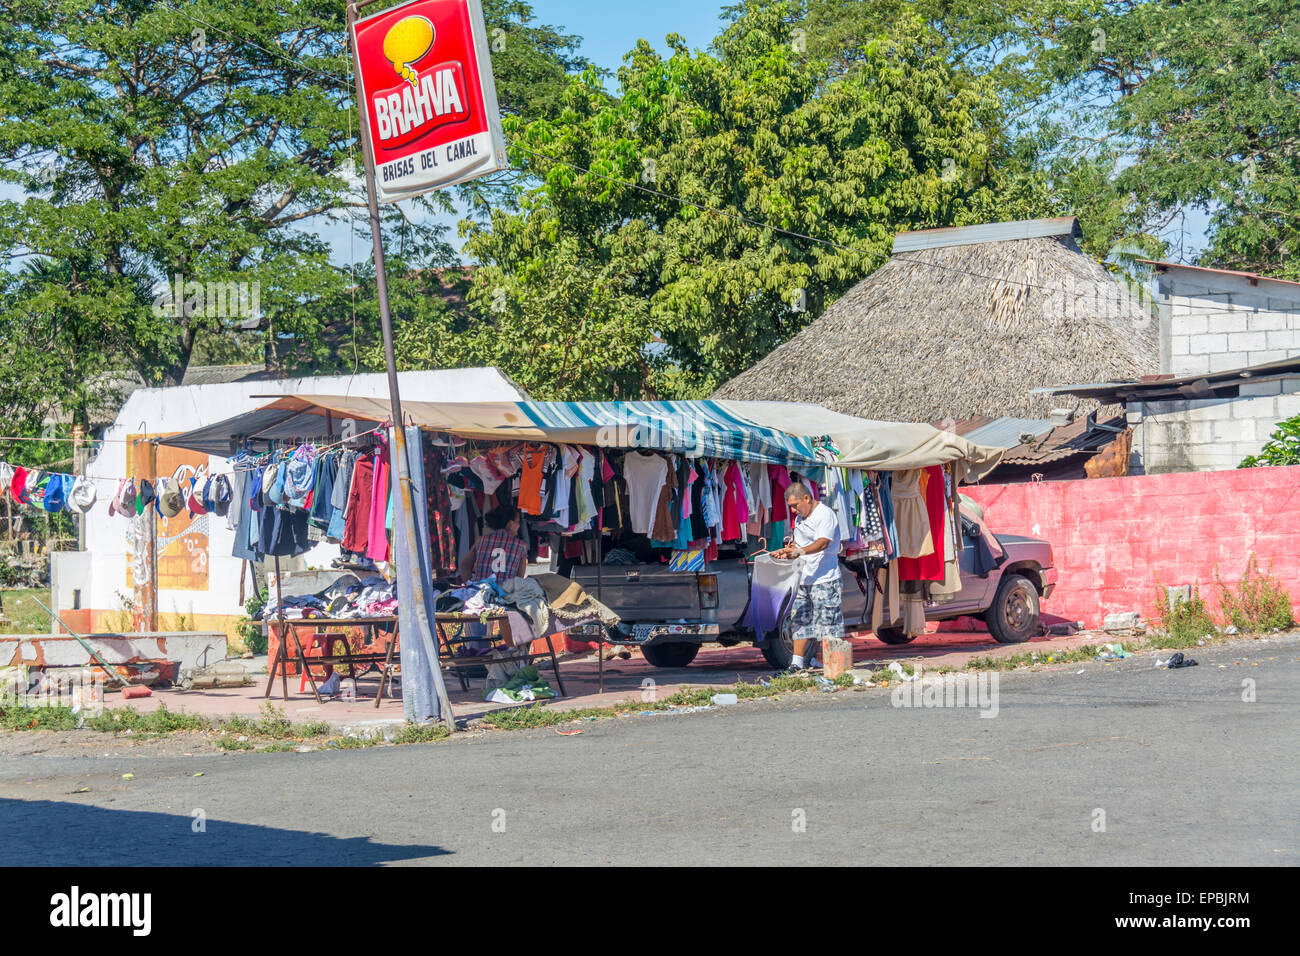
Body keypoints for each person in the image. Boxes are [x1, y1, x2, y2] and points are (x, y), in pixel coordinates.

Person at [772, 482, 843, 670]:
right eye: (791, 507)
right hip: (803, 579)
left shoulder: (825, 514)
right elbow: (798, 544)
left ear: (807, 498)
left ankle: (834, 667)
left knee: (828, 623)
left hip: (824, 578)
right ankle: (796, 664)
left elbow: (822, 543)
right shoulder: (801, 519)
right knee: (799, 620)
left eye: (796, 505)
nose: (794, 510)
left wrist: (799, 552)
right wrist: (786, 551)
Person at [459, 504, 528, 584]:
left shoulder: (481, 540)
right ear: (510, 524)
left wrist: (471, 586)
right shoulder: (521, 546)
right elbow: (519, 578)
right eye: (518, 522)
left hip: (481, 592)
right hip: (505, 594)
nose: (519, 525)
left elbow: (464, 565)